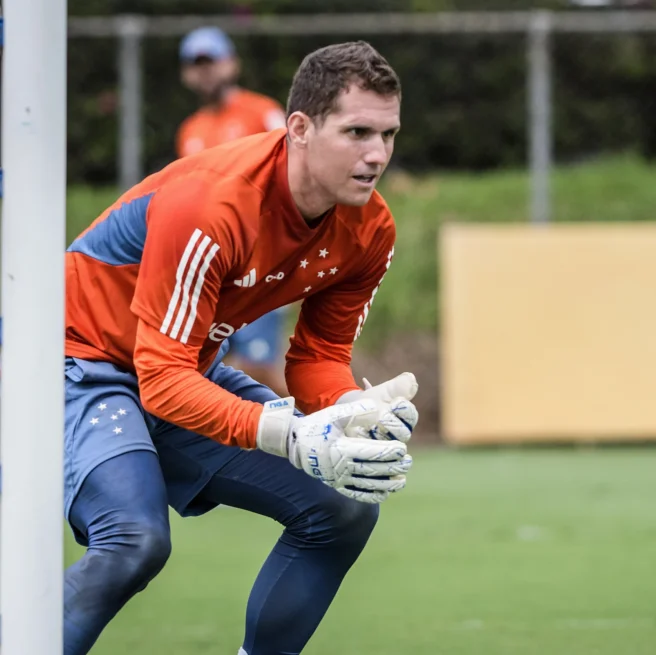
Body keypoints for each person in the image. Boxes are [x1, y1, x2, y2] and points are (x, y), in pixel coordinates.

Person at [62, 41, 419, 655]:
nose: (376, 155)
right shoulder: (213, 202)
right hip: (78, 361)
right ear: (300, 129)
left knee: (343, 510)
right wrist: (291, 434)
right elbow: (162, 379)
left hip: (176, 366)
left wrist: (349, 411)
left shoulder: (371, 227)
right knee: (133, 540)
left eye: (387, 134)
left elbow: (317, 356)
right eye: (357, 131)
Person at [176, 25, 290, 393]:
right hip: (213, 266)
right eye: (196, 64)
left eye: (212, 61)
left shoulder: (263, 113)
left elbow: (294, 171)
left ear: (231, 64)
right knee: (216, 368)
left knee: (257, 365)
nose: (205, 71)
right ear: (187, 73)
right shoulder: (190, 130)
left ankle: (315, 430)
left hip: (261, 260)